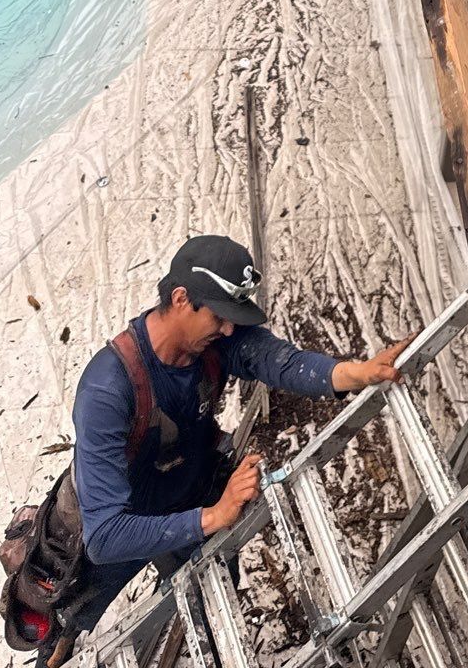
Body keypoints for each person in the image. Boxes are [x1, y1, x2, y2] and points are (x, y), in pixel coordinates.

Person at [59, 235, 407, 660]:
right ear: (182, 298)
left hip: (195, 490)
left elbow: (277, 360)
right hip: (126, 513)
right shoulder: (106, 390)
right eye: (220, 316)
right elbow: (105, 535)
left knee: (214, 611)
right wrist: (215, 516)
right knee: (65, 628)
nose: (228, 329)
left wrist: (356, 374)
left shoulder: (214, 342)